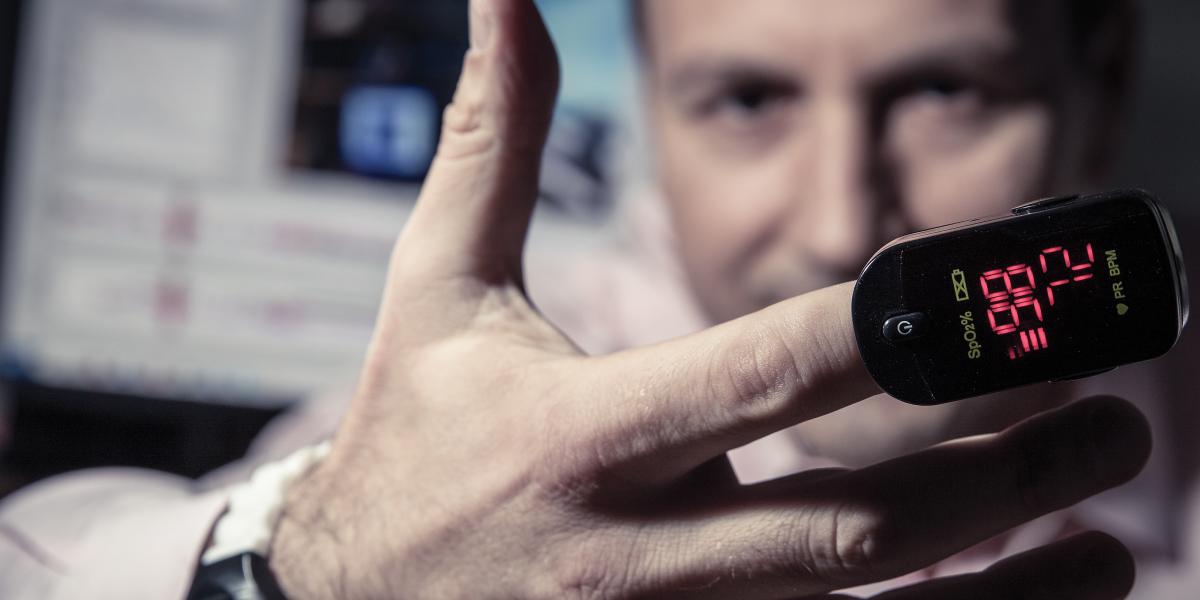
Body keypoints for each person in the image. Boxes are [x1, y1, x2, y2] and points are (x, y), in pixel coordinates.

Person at [1, 0, 1189, 597]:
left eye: (943, 91)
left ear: (1104, 86)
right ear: (654, 111)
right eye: (745, 101)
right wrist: (311, 569)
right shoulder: (480, 405)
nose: (839, 220)